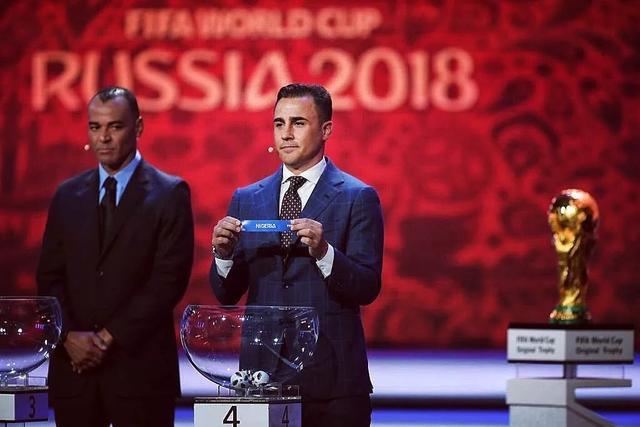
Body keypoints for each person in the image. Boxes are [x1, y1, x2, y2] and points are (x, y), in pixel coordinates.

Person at [210, 83, 383, 427]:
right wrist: (224, 256)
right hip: (262, 378)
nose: (286, 134)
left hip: (332, 382)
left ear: (326, 130)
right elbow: (226, 293)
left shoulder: (357, 197)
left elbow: (366, 287)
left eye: (298, 123)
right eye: (279, 123)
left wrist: (324, 252)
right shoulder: (247, 198)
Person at [37, 86, 194, 427]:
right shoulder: (67, 195)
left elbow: (167, 282)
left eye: (115, 126)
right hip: (75, 372)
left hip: (140, 374)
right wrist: (69, 336)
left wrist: (106, 338)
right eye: (95, 127)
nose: (103, 138)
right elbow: (49, 278)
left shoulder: (169, 194)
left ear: (138, 127)